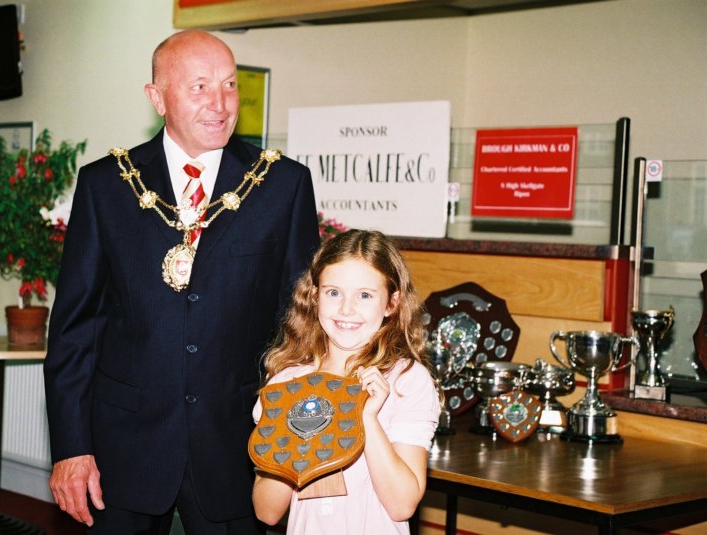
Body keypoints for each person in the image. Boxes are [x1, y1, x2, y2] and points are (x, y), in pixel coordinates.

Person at [43, 29, 320, 534]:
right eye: (199, 87)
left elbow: (300, 327)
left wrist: (298, 438)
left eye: (229, 85)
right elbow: (75, 329)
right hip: (122, 448)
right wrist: (71, 447)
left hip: (238, 447)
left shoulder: (282, 185)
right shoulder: (107, 185)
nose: (220, 103)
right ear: (157, 97)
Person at [251, 229, 441, 534]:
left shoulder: (406, 381)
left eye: (365, 295)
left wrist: (367, 417)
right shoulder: (287, 383)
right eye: (333, 293)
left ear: (391, 303)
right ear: (315, 296)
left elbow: (402, 505)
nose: (346, 309)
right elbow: (267, 512)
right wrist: (293, 429)